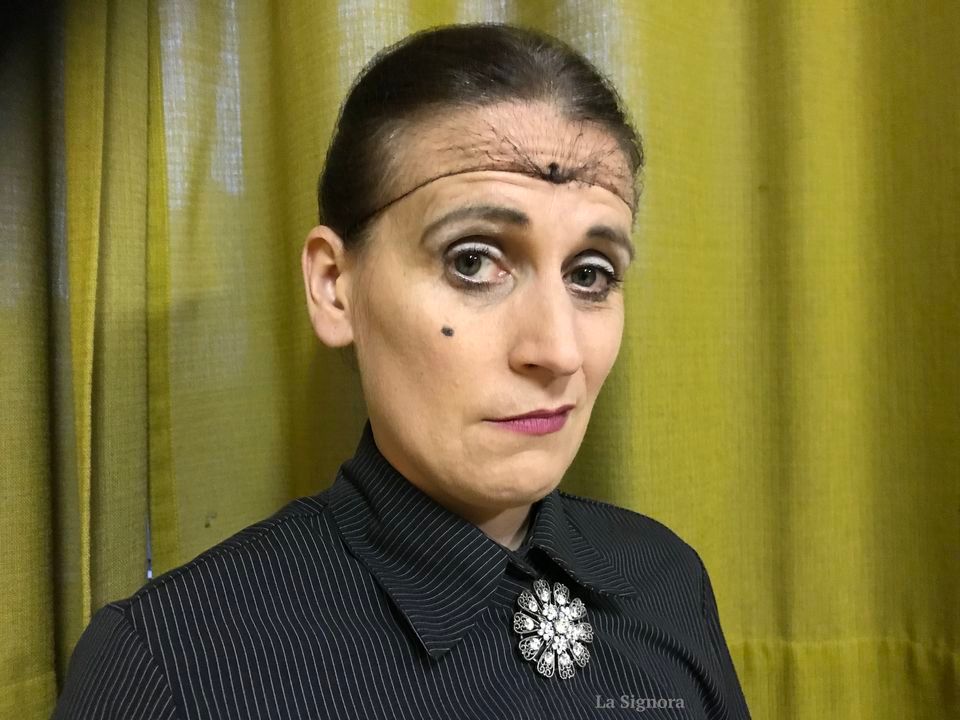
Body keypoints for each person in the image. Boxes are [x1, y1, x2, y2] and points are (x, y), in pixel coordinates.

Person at [53, 23, 751, 719]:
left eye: (591, 274)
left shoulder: (663, 581)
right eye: (472, 261)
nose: (558, 350)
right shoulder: (176, 667)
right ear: (335, 287)